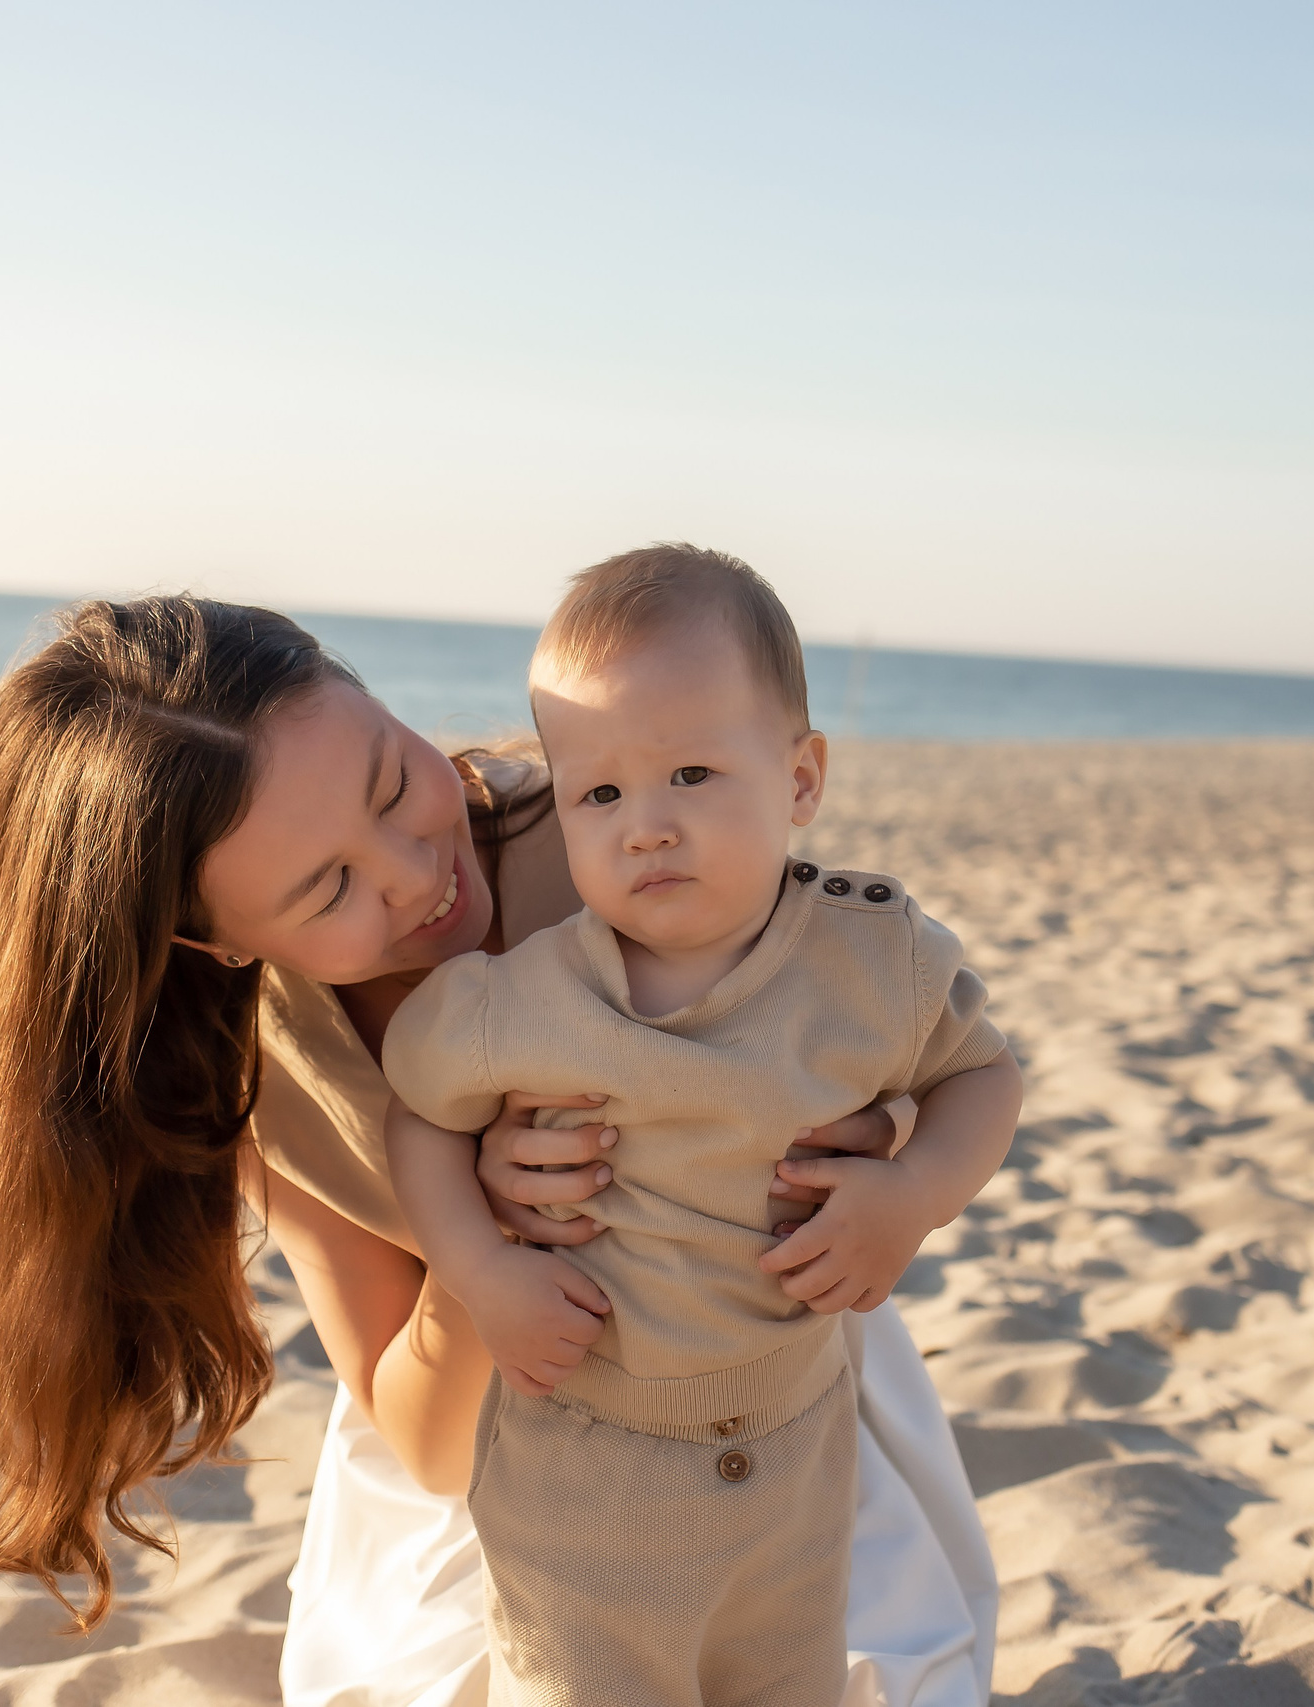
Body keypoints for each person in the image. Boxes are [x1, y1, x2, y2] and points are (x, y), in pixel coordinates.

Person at [0, 590, 1005, 1706]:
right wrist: (483, 1246)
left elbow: (878, 1035)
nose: (415, 875)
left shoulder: (619, 833)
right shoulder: (266, 1083)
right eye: (326, 891)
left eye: (393, 782)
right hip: (502, 1410)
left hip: (753, 1368)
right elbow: (430, 1450)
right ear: (207, 939)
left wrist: (888, 1156)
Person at [381, 547, 1022, 1705]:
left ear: (800, 778)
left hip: (797, 1461)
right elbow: (417, 1121)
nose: (646, 827)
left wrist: (916, 1192)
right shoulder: (521, 1001)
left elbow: (983, 1075)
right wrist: (478, 1266)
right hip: (584, 1485)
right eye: (601, 793)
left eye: (690, 772)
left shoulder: (874, 960)